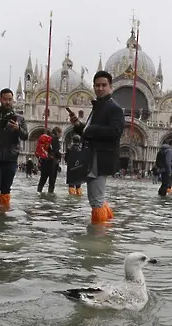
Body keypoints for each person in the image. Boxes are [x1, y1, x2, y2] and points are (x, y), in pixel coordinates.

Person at [69, 70, 124, 224]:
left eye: (103, 85)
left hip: (101, 159)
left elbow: (116, 131)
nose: (100, 88)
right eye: (97, 85)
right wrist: (79, 126)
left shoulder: (114, 108)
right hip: (92, 157)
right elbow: (88, 132)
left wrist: (90, 130)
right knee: (95, 198)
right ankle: (105, 228)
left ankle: (98, 238)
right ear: (93, 87)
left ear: (110, 87)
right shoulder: (98, 107)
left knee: (96, 200)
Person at [0, 88, 29, 209]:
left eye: (10, 99)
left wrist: (18, 128)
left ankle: (3, 214)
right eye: (5, 99)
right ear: (0, 100)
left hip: (11, 158)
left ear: (13, 100)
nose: (7, 102)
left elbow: (25, 136)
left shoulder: (20, 119)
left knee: (6, 189)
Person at [38, 126, 62, 193]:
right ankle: (50, 195)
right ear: (57, 132)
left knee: (42, 179)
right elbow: (56, 151)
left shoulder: (48, 138)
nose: (61, 135)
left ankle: (39, 191)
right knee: (52, 181)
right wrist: (60, 155)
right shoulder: (55, 139)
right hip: (52, 163)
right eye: (60, 133)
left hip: (44, 161)